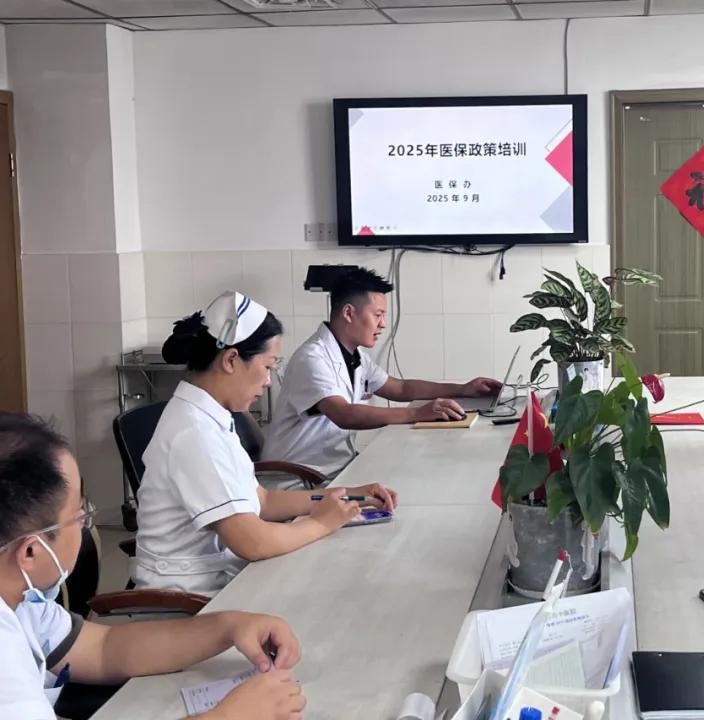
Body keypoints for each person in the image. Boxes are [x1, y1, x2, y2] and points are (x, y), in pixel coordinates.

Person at [0, 413, 307, 720]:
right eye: (79, 516)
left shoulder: (23, 600)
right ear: (30, 552)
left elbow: (104, 648)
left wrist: (230, 626)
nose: (84, 523)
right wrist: (229, 716)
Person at [133, 291, 397, 596]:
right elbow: (253, 542)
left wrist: (348, 495)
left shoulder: (209, 416)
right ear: (231, 360)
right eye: (268, 366)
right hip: (191, 598)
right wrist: (322, 524)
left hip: (220, 580)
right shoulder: (193, 433)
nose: (269, 381)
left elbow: (264, 501)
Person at [263, 267, 502, 487]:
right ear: (349, 313)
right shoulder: (312, 358)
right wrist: (416, 414)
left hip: (334, 470)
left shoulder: (353, 355)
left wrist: (462, 389)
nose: (383, 324)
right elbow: (344, 414)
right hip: (298, 480)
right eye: (377, 315)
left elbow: (400, 388)